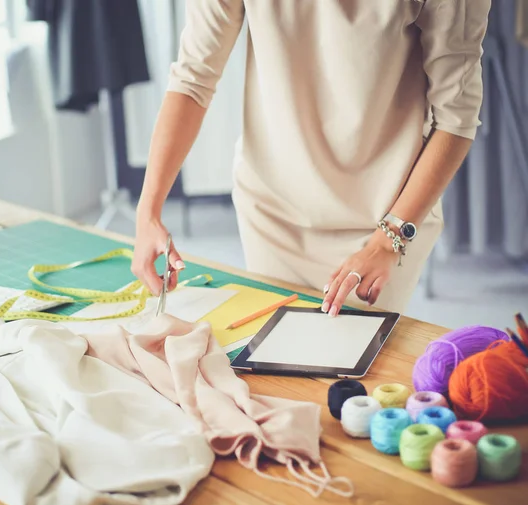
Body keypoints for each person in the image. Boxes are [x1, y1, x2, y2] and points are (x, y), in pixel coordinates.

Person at [132, 0, 491, 316]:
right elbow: (192, 80)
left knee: (353, 380)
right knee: (280, 371)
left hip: (385, 217)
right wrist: (148, 211)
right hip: (273, 210)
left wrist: (388, 238)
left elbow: (455, 120)